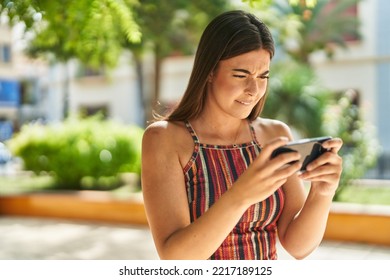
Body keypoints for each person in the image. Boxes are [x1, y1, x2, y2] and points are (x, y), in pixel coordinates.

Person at [141, 10, 343, 260]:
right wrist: (241, 195)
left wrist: (322, 192)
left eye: (263, 76)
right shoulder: (165, 139)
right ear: (210, 70)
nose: (254, 89)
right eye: (241, 75)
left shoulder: (275, 134)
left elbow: (298, 247)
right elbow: (176, 259)